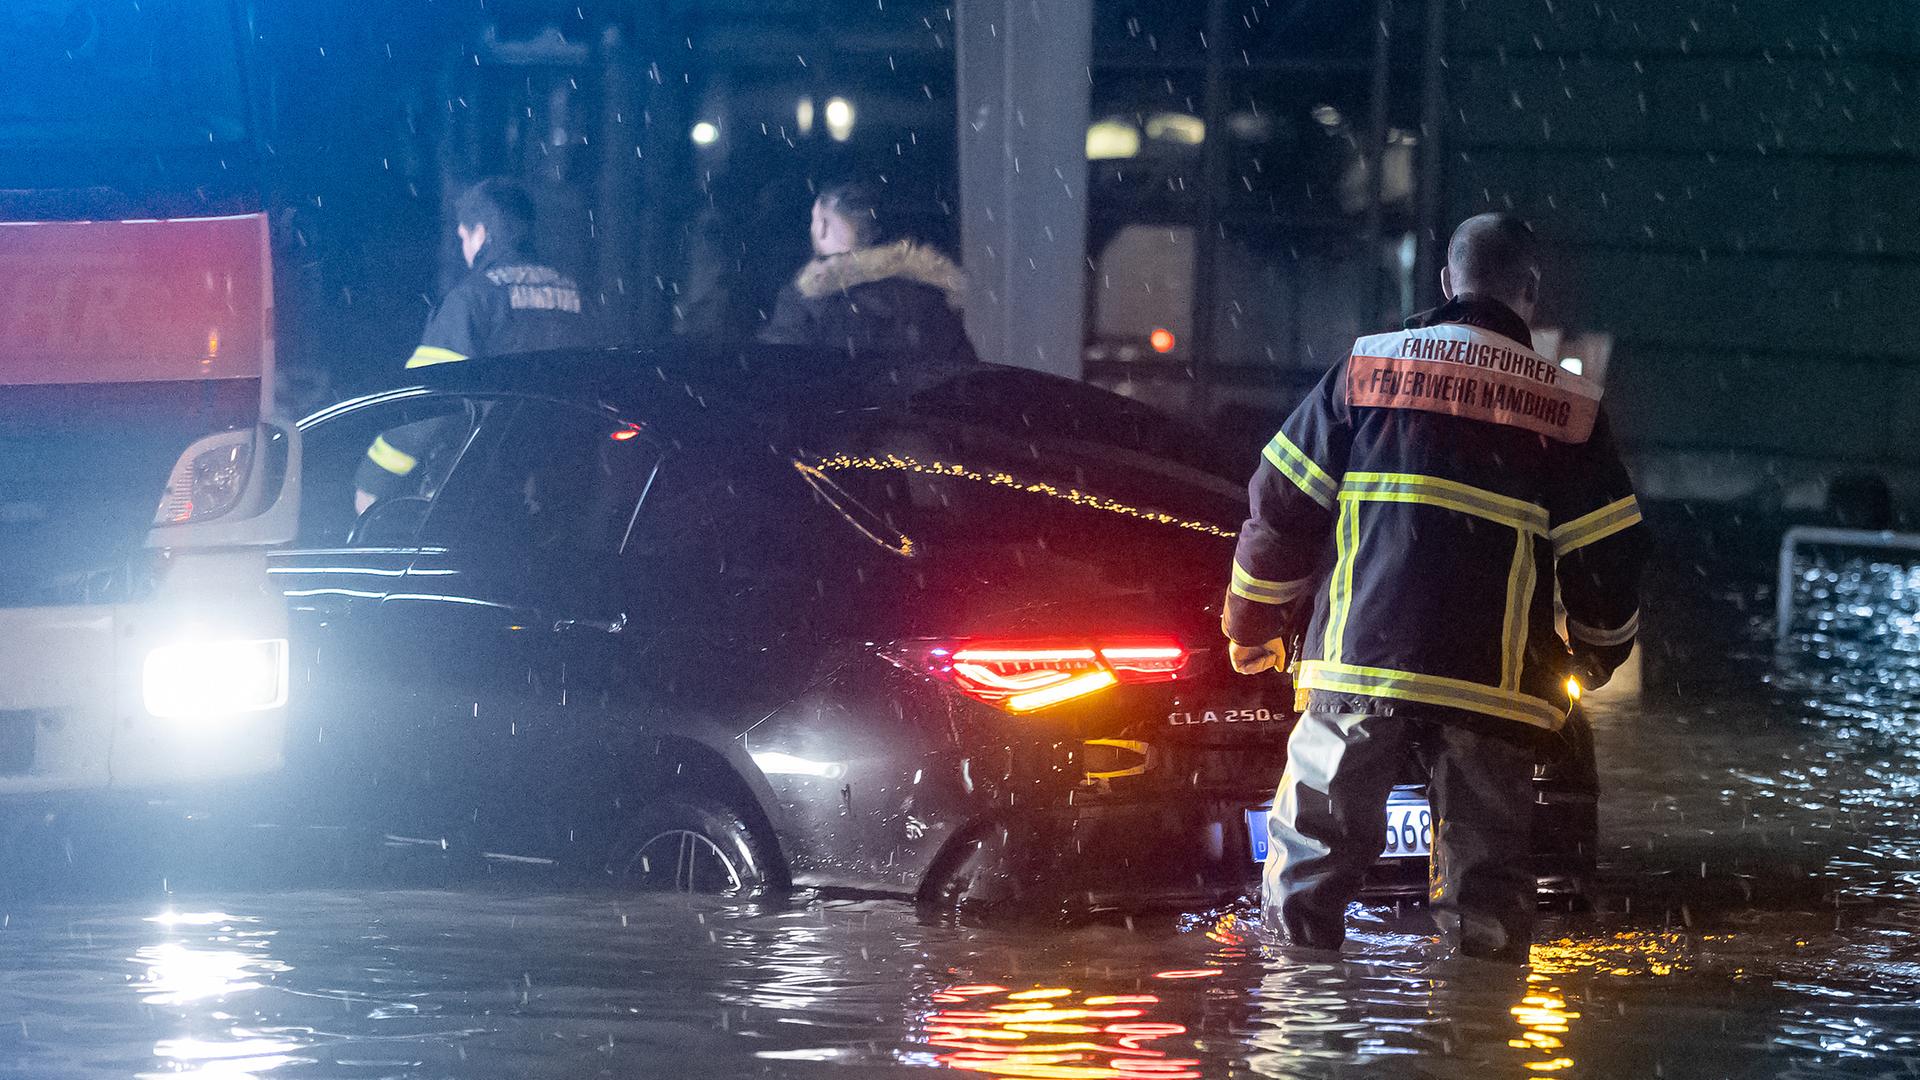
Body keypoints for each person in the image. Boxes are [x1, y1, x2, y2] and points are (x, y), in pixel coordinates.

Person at [1222, 212, 1647, 963]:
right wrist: (1595, 657)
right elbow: (1607, 558)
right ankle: (1475, 1041)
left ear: (1448, 283)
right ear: (1530, 293)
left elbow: (1280, 503)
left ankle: (1300, 1036)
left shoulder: (1365, 370)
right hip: (1494, 686)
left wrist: (1253, 623)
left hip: (1360, 666)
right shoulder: (1569, 409)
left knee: (1306, 886)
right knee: (1487, 905)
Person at [357, 178, 594, 511]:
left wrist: (374, 481)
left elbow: (427, 402)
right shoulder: (572, 295)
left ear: (481, 233)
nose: (465, 248)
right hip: (565, 489)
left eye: (463, 237)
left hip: (484, 492)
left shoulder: (474, 298)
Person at [758, 180, 980, 365]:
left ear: (823, 226)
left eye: (815, 220)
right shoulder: (925, 295)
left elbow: (774, 379)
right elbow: (963, 382)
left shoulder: (807, 300)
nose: (812, 228)